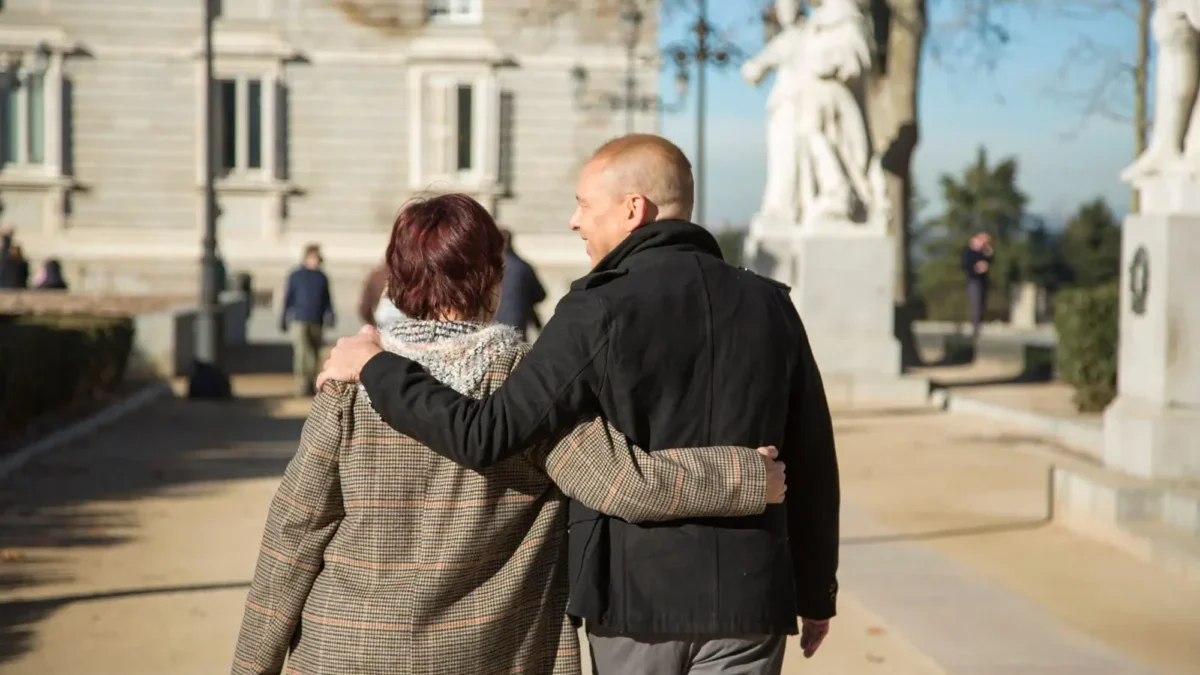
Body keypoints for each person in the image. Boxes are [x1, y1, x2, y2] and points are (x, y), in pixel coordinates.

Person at [318, 134, 840, 674]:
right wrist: (816, 591)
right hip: (751, 597)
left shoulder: (597, 306)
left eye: (585, 205)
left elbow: (484, 435)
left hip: (636, 602)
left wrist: (375, 366)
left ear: (633, 209)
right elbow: (813, 456)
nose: (575, 221)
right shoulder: (771, 304)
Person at [231, 193, 787, 675]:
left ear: (398, 278)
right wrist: (746, 474)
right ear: (492, 277)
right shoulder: (528, 379)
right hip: (492, 651)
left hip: (346, 650)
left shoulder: (351, 384)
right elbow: (623, 483)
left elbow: (293, 534)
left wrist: (253, 665)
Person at [280, 244, 335, 396]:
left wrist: (330, 315)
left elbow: (327, 300)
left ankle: (311, 381)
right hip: (300, 319)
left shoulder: (322, 277)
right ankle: (302, 382)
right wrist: (283, 317)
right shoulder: (296, 276)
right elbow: (288, 298)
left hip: (317, 320)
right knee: (302, 352)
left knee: (315, 352)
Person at [494, 228, 547, 339]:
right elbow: (541, 295)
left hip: (492, 326)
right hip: (517, 327)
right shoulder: (523, 267)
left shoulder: (488, 268)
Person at [961, 232, 994, 343]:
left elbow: (990, 261)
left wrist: (988, 253)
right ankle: (975, 330)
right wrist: (976, 269)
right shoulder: (968, 252)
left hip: (982, 281)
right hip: (973, 280)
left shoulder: (983, 253)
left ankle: (978, 326)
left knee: (982, 305)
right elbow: (965, 266)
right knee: (976, 305)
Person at [358, 259, 405, 329]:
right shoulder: (412, 278)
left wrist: (374, 326)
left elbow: (364, 309)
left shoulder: (376, 276)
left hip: (383, 331)